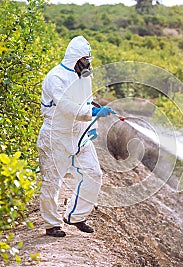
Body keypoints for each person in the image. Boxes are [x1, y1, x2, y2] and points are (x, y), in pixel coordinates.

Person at [37, 36, 115, 237]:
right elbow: (67, 107)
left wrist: (90, 122)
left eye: (90, 60)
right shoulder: (56, 77)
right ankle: (52, 224)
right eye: (86, 60)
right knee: (52, 181)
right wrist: (93, 113)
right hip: (56, 135)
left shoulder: (85, 77)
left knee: (94, 174)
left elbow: (86, 102)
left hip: (79, 133)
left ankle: (76, 216)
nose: (89, 64)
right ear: (76, 59)